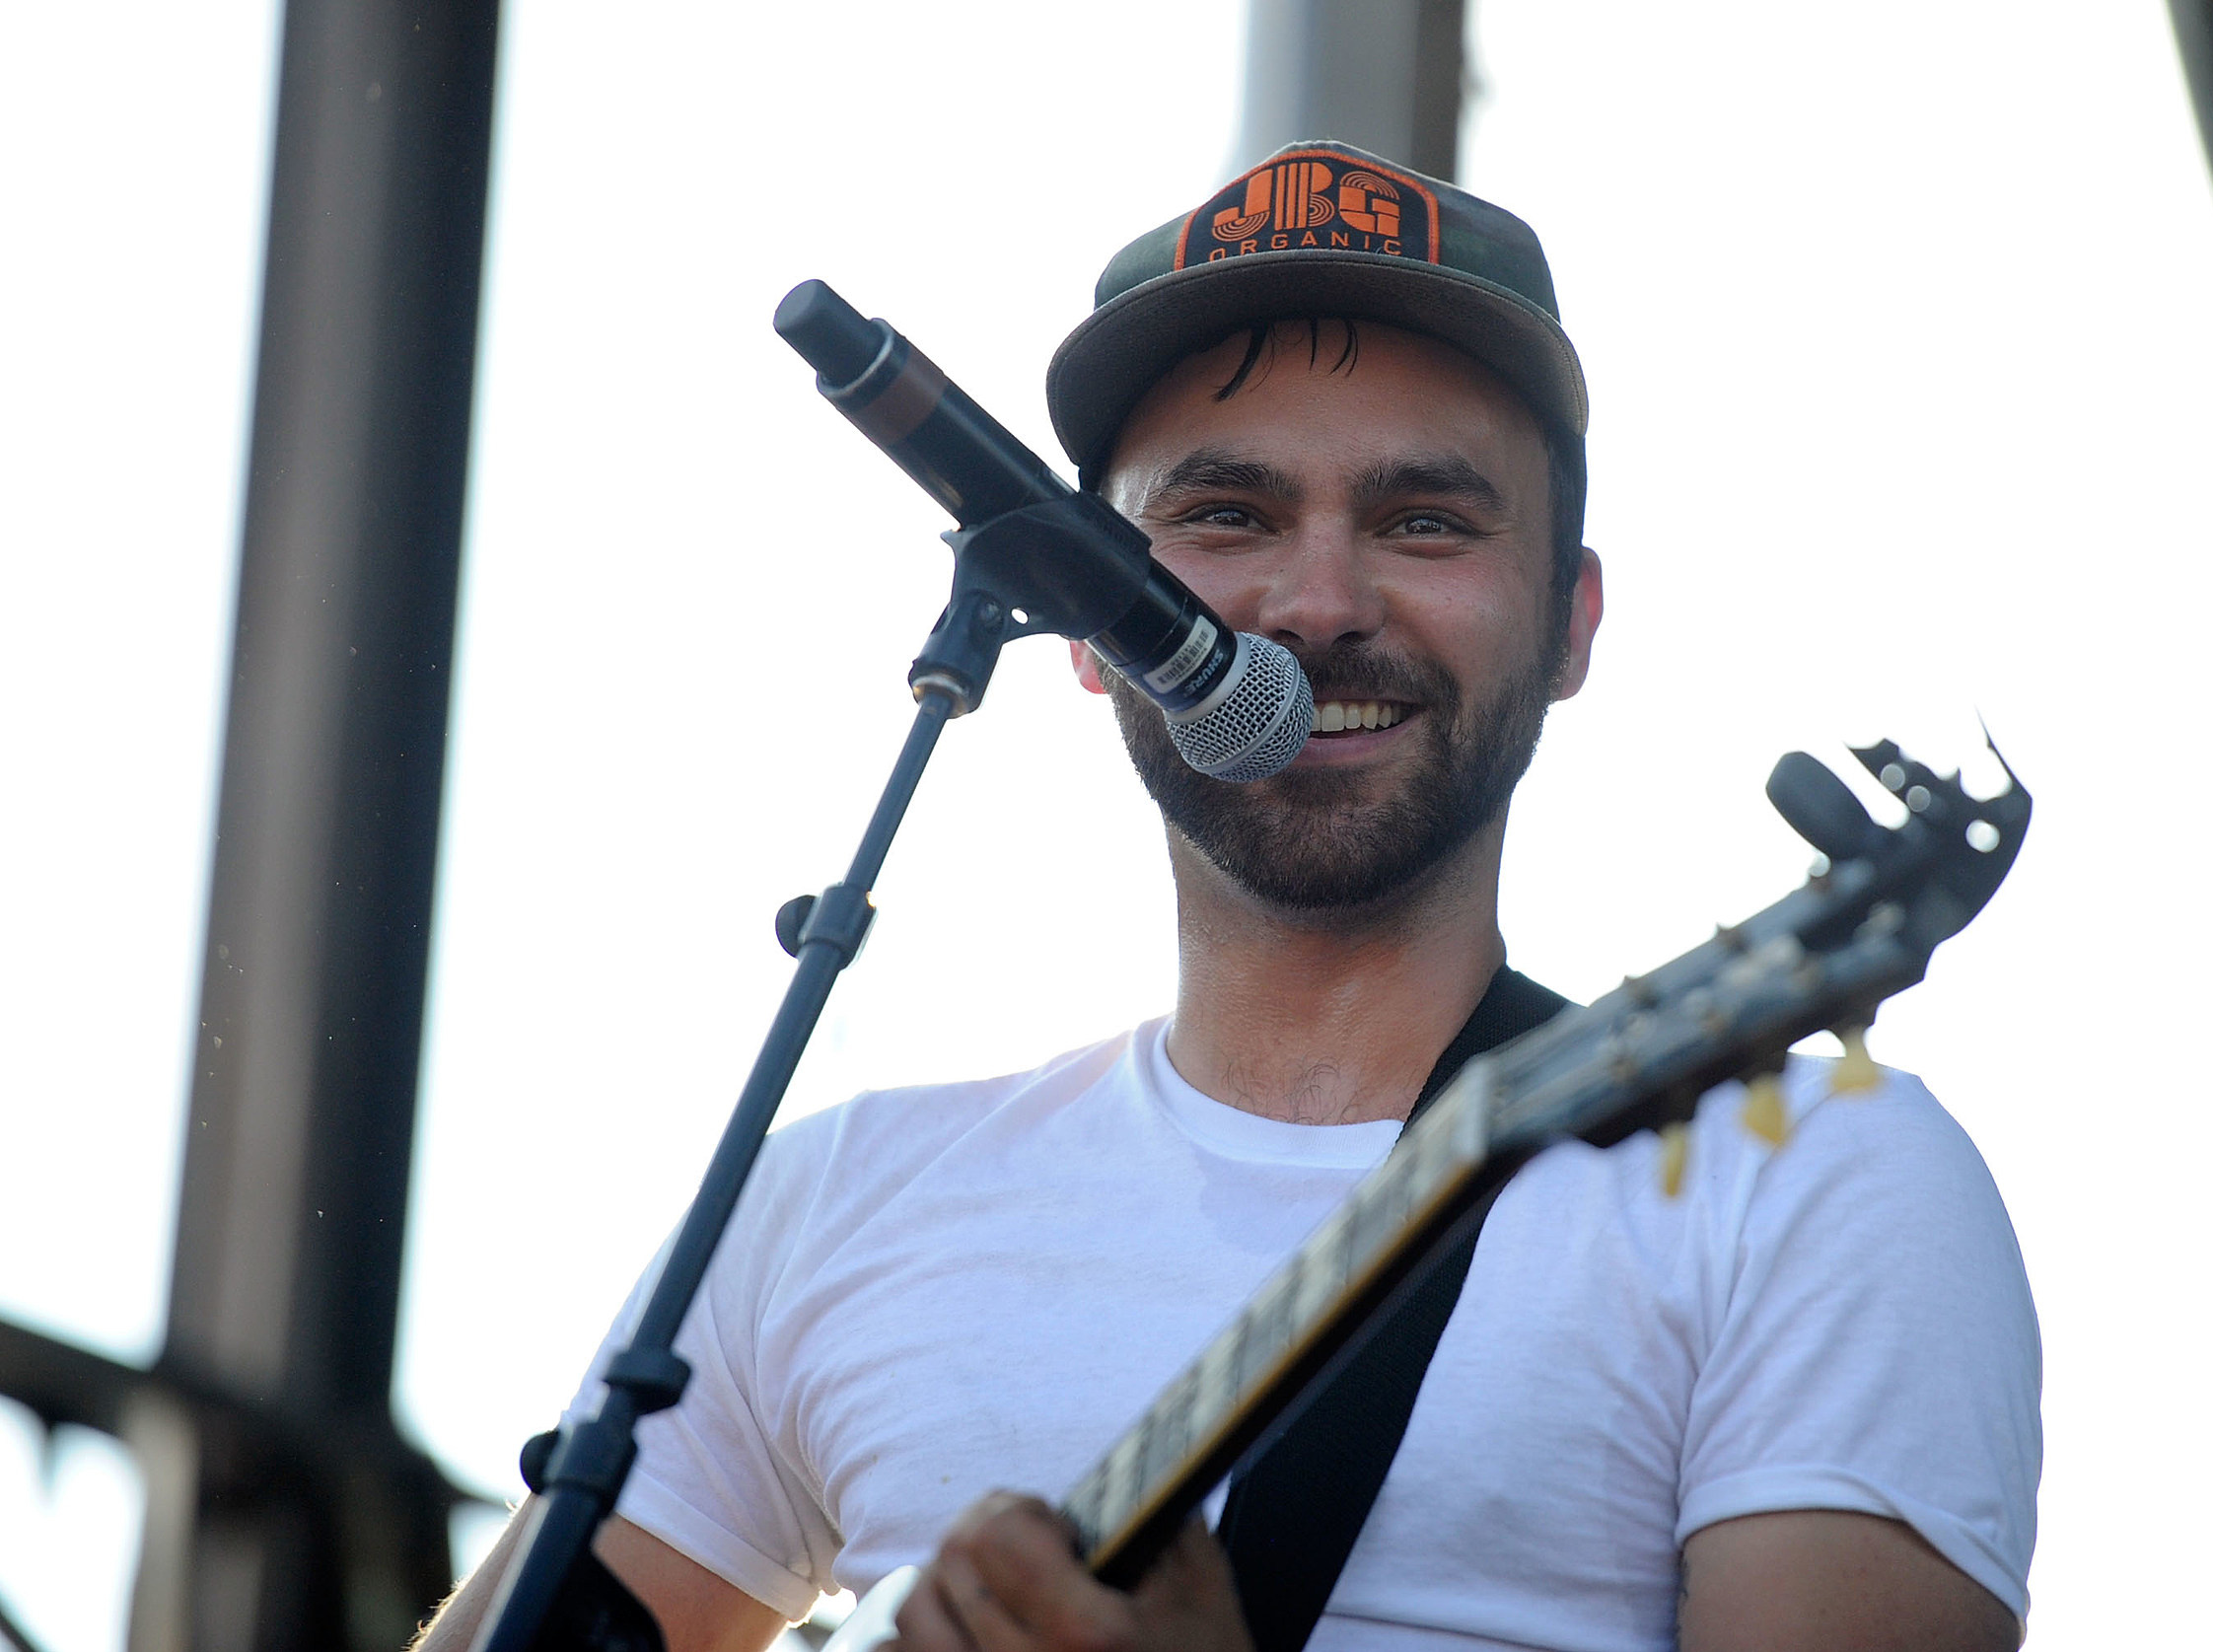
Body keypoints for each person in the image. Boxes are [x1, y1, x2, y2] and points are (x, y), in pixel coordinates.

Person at [417, 141, 2039, 1652]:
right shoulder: (836, 1201)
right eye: (1224, 515)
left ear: (1570, 627)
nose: (1318, 604)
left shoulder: (1808, 1178)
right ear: (1076, 616)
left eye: (1422, 520)